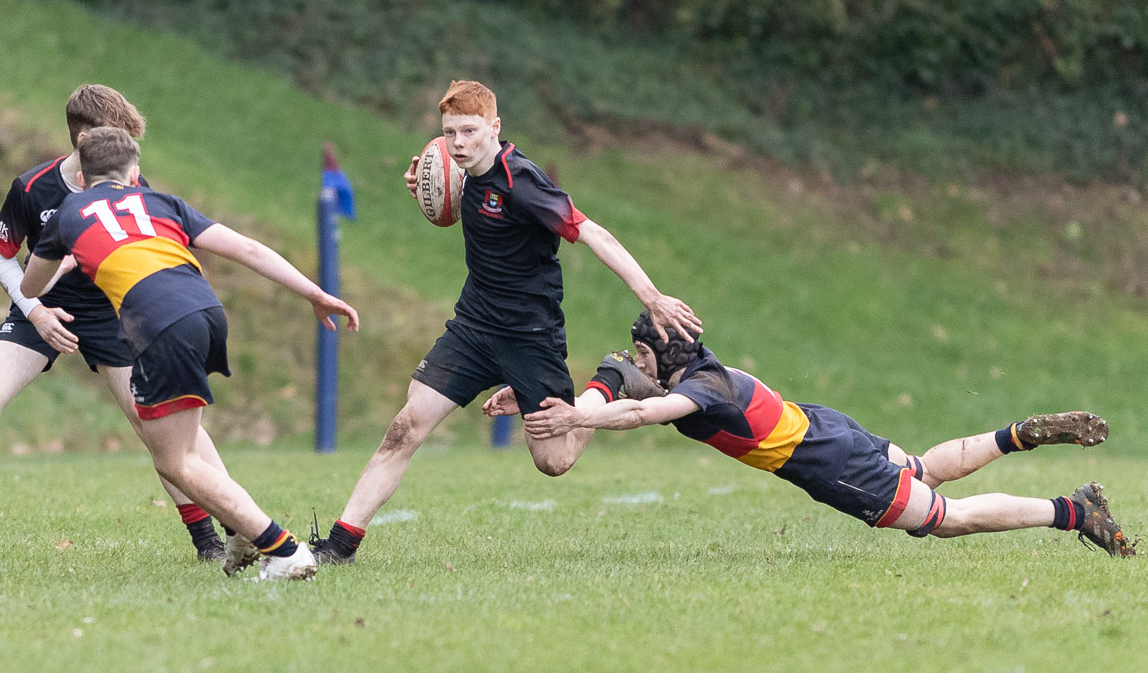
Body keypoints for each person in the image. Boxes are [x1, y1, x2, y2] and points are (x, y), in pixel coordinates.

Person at [309, 80, 703, 565]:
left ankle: (607, 384)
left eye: (470, 131)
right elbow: (446, 200)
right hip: (473, 327)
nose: (459, 143)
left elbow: (593, 233)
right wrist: (422, 186)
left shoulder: (524, 183)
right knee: (404, 428)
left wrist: (653, 296)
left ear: (495, 128)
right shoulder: (456, 164)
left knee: (552, 461)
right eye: (451, 132)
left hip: (529, 336)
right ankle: (339, 546)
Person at [0, 85, 233, 561]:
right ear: (85, 137)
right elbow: (0, 252)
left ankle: (212, 541)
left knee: (159, 427)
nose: (129, 156)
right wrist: (35, 311)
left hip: (115, 313)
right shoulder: (32, 188)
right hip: (39, 310)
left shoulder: (133, 184)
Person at [486, 310, 1136, 557]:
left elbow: (637, 413)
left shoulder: (702, 393)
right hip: (829, 427)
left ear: (668, 355)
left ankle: (1074, 512)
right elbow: (618, 392)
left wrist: (574, 417)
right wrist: (548, 398)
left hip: (827, 459)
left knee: (944, 518)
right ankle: (1016, 436)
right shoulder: (706, 371)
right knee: (923, 468)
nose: (633, 359)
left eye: (641, 351)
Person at [21, 126, 360, 579]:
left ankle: (284, 550)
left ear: (81, 177)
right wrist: (315, 293)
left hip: (158, 322)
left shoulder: (68, 211)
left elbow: (30, 286)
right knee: (188, 454)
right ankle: (245, 532)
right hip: (204, 310)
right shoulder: (162, 202)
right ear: (134, 173)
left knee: (174, 462)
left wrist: (63, 261)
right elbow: (247, 248)